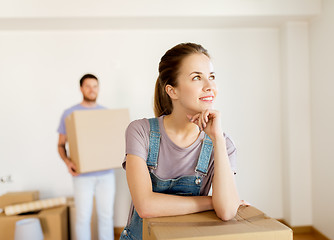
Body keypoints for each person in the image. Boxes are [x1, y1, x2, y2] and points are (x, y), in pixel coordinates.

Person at [120, 43, 247, 240]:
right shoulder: (140, 131)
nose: (210, 86)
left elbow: (227, 211)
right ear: (172, 91)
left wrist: (217, 139)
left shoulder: (223, 144)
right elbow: (145, 206)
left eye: (211, 77)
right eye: (197, 77)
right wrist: (210, 201)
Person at [57, 73, 115, 240]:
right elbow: (60, 145)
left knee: (106, 217)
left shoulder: (105, 113)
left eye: (95, 86)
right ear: (81, 88)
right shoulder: (70, 113)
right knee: (82, 217)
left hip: (106, 174)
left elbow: (111, 143)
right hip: (82, 175)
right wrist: (68, 162)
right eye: (88, 86)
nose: (92, 90)